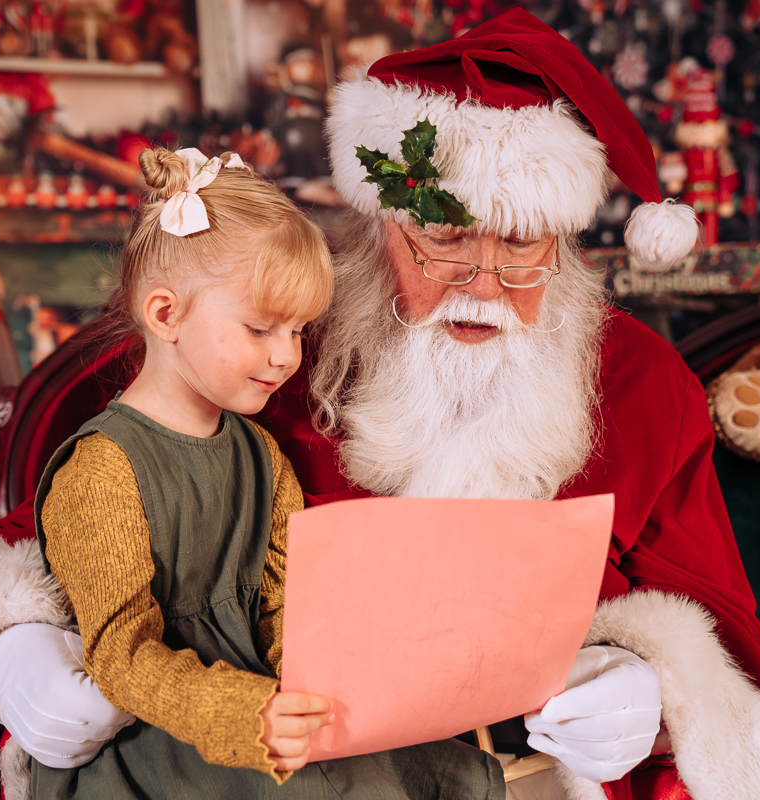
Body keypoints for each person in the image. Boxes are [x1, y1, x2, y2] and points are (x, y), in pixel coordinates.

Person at [0, 10, 760, 800]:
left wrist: (656, 686)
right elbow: (95, 508)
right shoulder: (282, 347)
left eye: (521, 244)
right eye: (443, 239)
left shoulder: (637, 382)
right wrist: (14, 650)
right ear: (379, 233)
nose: (482, 279)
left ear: (565, 243)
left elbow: (715, 616)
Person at [24, 144, 502, 799]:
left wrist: (329, 688)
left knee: (437, 774)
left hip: (269, 705)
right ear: (165, 315)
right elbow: (122, 655)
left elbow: (286, 609)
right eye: (259, 328)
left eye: (298, 331)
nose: (285, 357)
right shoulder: (101, 470)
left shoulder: (260, 455)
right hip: (168, 735)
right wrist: (246, 713)